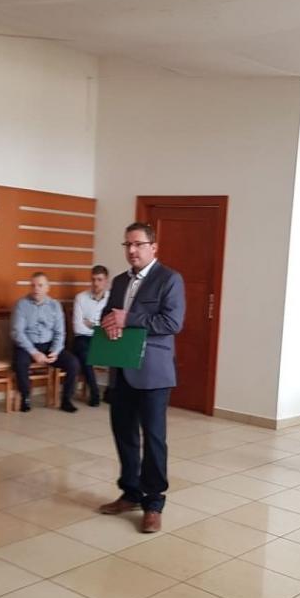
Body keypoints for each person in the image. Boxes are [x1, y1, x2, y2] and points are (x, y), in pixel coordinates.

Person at [99, 222, 185, 533]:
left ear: (153, 247)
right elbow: (109, 314)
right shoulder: (120, 281)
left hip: (153, 373)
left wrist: (129, 319)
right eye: (127, 245)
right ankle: (130, 492)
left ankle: (153, 503)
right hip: (121, 368)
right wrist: (109, 322)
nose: (132, 250)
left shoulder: (169, 279)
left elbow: (172, 322)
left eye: (138, 244)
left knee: (154, 438)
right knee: (124, 434)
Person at [11, 271, 79, 413]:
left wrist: (55, 351)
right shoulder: (21, 304)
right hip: (28, 345)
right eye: (33, 285)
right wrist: (34, 352)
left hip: (49, 345)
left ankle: (66, 400)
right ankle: (25, 397)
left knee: (73, 363)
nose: (36, 289)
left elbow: (60, 332)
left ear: (47, 288)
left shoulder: (55, 305)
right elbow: (18, 333)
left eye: (40, 285)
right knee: (20, 362)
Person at [72, 264, 110, 406]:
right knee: (84, 352)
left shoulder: (112, 298)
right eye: (93, 279)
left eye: (99, 280)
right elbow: (78, 327)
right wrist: (99, 325)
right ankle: (94, 392)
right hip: (83, 338)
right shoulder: (80, 298)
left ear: (106, 281)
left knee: (120, 351)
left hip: (104, 337)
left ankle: (112, 391)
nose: (96, 283)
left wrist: (92, 324)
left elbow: (112, 324)